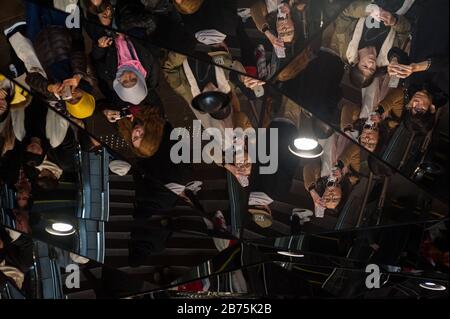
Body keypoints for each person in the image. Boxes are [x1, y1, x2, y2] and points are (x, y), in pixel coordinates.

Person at [326, 0, 411, 88]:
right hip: (399, 5)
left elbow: (344, 13)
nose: (371, 64)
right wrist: (394, 21)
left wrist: (369, 9)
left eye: (365, 66)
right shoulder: (388, 56)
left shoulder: (345, 44)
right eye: (372, 69)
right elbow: (406, 30)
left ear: (356, 62)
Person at [91, 31, 160, 107]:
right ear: (140, 80)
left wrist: (100, 47)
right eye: (133, 79)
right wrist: (128, 33)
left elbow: (97, 58)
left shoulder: (107, 73)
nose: (128, 76)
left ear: (119, 83)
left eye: (125, 81)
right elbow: (150, 38)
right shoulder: (149, 64)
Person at [303, 142, 360, 216]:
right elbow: (356, 148)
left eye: (327, 199)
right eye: (335, 199)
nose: (331, 196)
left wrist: (312, 190)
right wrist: (340, 165)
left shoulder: (320, 178)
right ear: (342, 196)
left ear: (323, 195)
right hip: (348, 134)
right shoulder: (353, 178)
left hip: (326, 137)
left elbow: (309, 166)